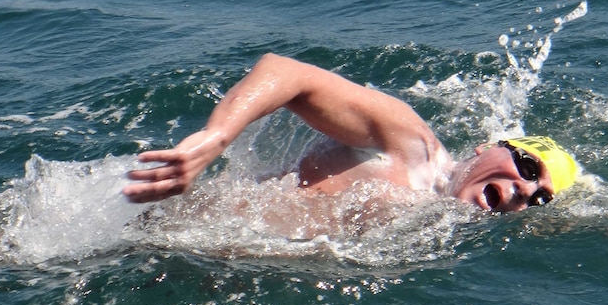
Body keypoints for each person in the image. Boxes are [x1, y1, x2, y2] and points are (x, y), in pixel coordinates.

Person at [123, 53, 578, 213]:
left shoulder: (441, 229)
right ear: (488, 148)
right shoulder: (409, 144)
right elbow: (286, 73)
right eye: (526, 166)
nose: (524, 189)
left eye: (539, 198)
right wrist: (214, 140)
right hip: (155, 219)